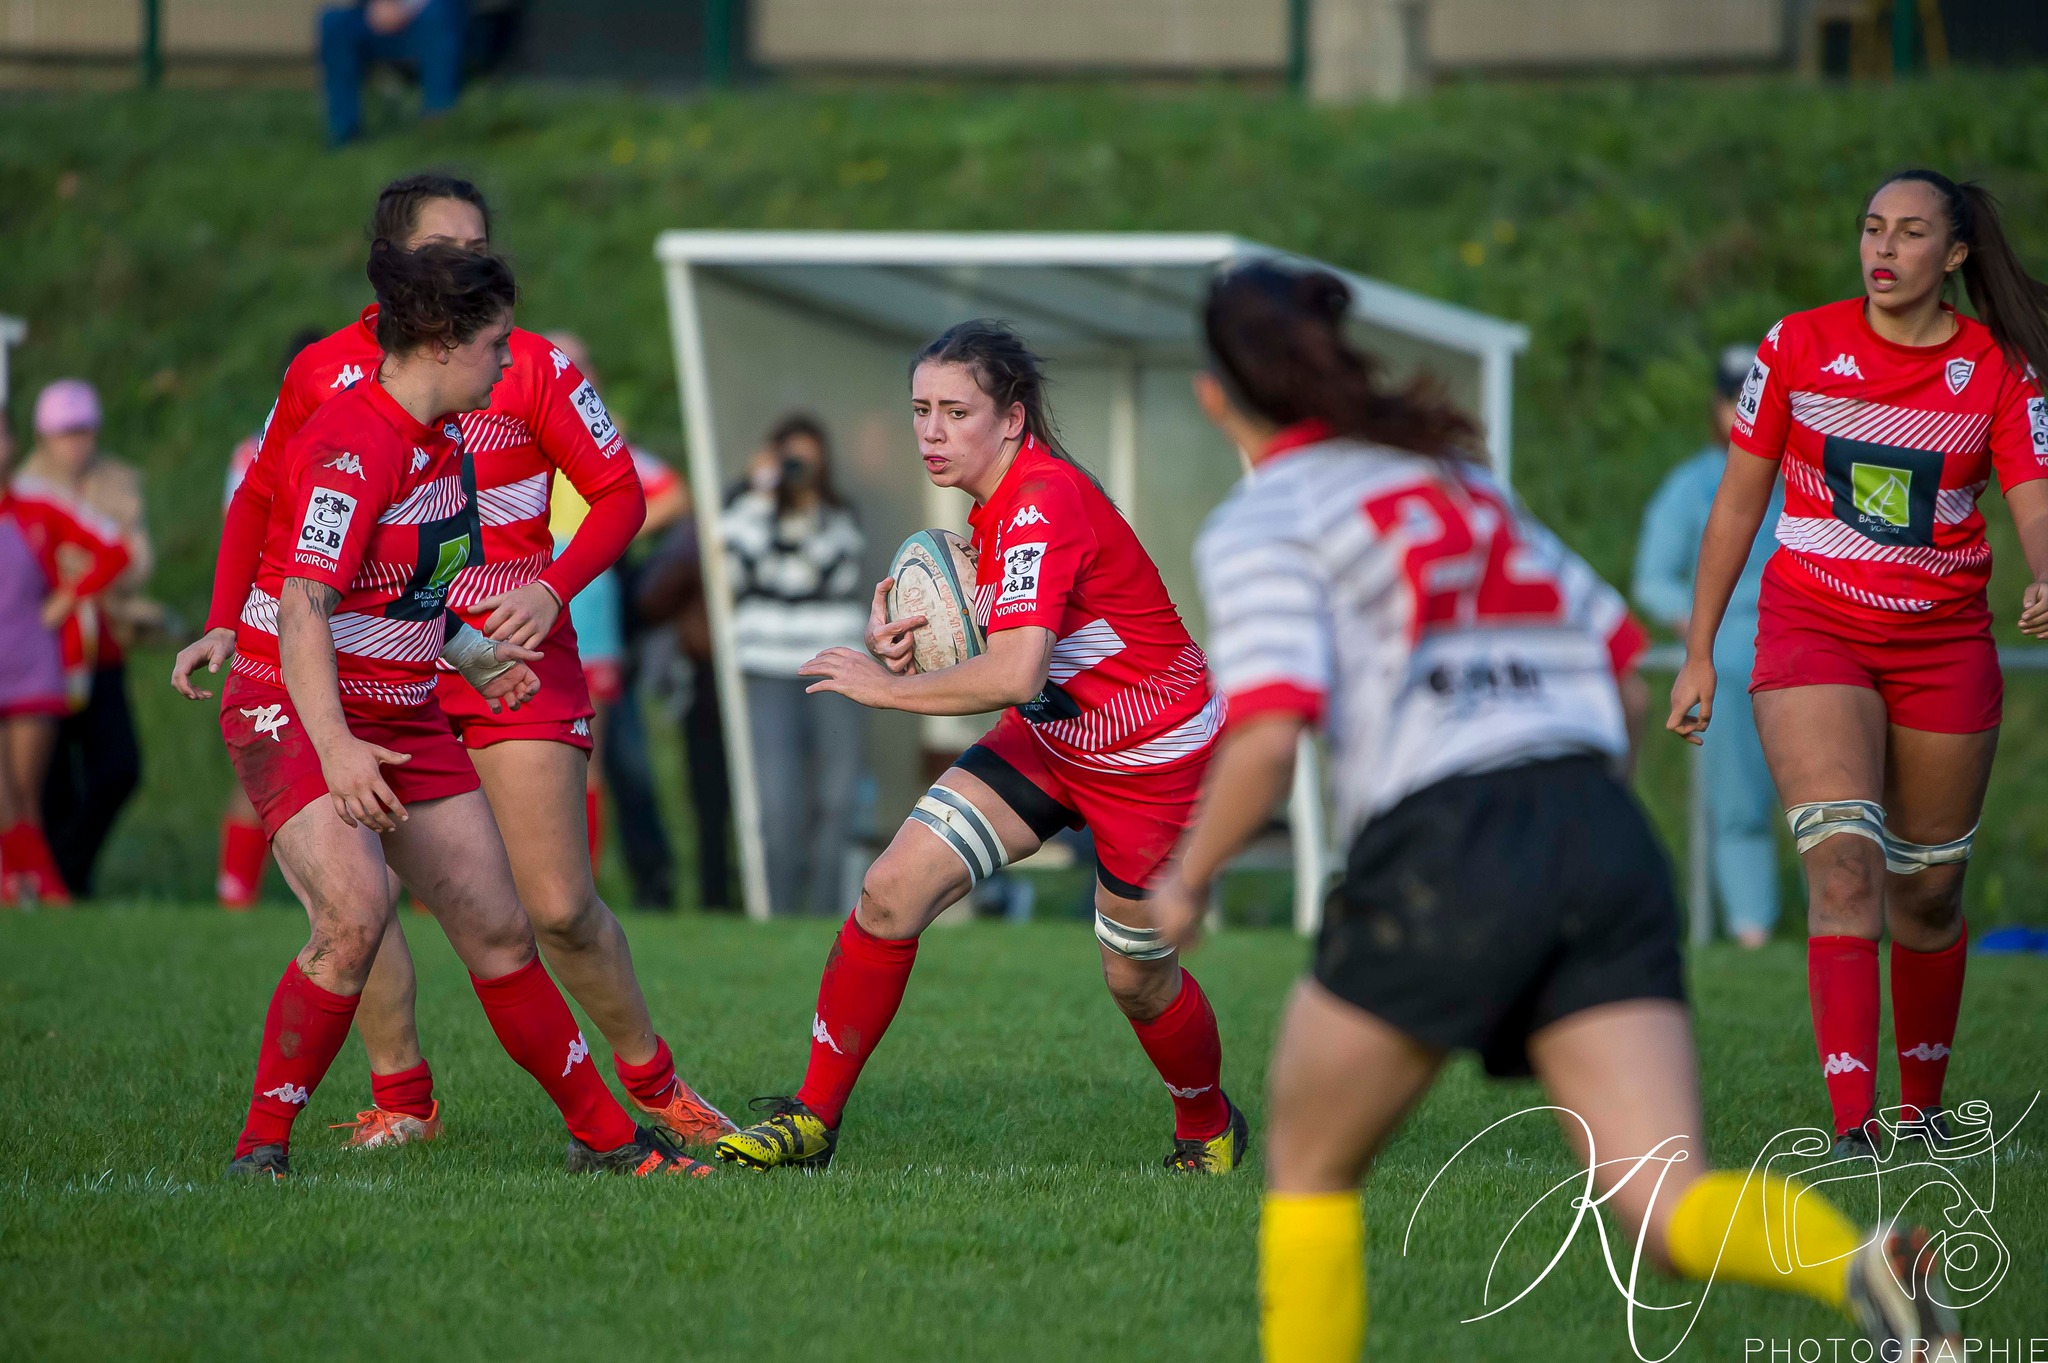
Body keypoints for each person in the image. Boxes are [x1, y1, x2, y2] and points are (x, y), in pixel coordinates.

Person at [1152, 260, 1958, 1363]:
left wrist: (1187, 879)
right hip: (1598, 828)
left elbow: (1267, 732)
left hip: (1446, 844)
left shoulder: (1265, 518)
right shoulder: (1459, 482)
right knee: (1665, 1196)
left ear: (1215, 397)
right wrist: (1573, 840)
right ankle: (1855, 1264)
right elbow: (1618, 664)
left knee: (1307, 1165)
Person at [172, 172, 730, 1153]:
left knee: (546, 911)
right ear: (403, 281)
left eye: (479, 248)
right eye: (447, 253)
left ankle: (643, 1100)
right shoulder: (343, 397)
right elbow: (285, 553)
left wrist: (528, 605)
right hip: (334, 676)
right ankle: (383, 1105)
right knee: (360, 908)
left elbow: (607, 500)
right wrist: (243, 636)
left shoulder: (499, 387)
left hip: (474, 656)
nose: (471, 268)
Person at [714, 321, 1245, 1174]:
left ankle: (1209, 1124)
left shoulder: (1041, 499)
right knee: (889, 892)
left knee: (1136, 977)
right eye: (920, 409)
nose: (932, 431)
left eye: (956, 412)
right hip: (1054, 734)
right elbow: (1007, 647)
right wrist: (915, 643)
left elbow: (1014, 668)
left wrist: (884, 687)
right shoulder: (996, 507)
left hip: (1153, 758)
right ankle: (812, 1118)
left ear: (1012, 418)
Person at [1669, 170, 2048, 1158]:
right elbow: (1737, 501)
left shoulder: (1999, 370)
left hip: (1942, 643)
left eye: (1910, 232)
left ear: (1954, 254)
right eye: (1872, 228)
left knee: (1927, 890)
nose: (1883, 248)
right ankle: (1852, 1127)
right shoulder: (1796, 344)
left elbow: (2034, 496)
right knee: (1843, 865)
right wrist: (1698, 650)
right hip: (1813, 629)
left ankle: (1922, 1107)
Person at [1632, 344, 1783, 947]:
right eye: (1734, 401)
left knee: (1842, 800)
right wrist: (1698, 628)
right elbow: (1654, 577)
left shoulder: (1805, 474)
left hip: (1815, 642)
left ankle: (1852, 928)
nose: (1743, 413)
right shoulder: (1692, 485)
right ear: (1718, 407)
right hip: (1732, 652)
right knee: (1739, 803)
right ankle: (1754, 934)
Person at [542, 330, 692, 909]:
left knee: (587, 752)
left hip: (587, 599)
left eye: (581, 363)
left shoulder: (600, 432)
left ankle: (578, 889)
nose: (572, 372)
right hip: (511, 590)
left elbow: (672, 493)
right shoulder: (501, 421)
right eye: (561, 361)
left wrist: (600, 539)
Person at [722, 414, 868, 916]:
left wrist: (808, 507)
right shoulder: (749, 510)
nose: (798, 469)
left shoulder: (839, 515)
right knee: (777, 800)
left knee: (837, 796)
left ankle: (828, 910)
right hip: (766, 668)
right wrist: (761, 493)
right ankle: (780, 913)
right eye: (790, 460)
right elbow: (735, 566)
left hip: (834, 668)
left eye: (808, 460)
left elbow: (828, 569)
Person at [19, 378, 156, 898]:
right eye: (65, 433)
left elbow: (130, 557)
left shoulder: (119, 481)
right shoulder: (26, 488)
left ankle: (63, 875)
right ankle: (59, 886)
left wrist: (79, 583)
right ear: (43, 437)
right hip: (45, 651)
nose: (76, 443)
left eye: (84, 431)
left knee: (118, 767)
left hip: (103, 642)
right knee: (48, 780)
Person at [218, 329, 327, 910]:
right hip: (276, 616)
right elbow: (243, 521)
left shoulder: (254, 446)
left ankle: (239, 892)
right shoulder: (259, 449)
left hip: (308, 615)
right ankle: (236, 892)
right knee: (271, 748)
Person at [0, 422, 129, 906]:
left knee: (26, 794)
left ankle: (34, 889)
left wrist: (69, 597)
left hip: (32, 666)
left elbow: (114, 550)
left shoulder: (37, 509)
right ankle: (39, 886)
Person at [318, 0, 465, 148]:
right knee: (334, 22)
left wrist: (407, 7)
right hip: (379, 19)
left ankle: (439, 120)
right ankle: (345, 131)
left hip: (433, 16)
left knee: (438, 14)